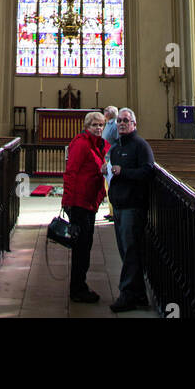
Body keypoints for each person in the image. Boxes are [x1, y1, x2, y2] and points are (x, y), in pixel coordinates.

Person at [107, 108, 154, 312]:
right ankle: (140, 294)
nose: (122, 123)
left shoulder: (140, 146)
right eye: (119, 121)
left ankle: (127, 294)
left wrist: (123, 172)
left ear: (134, 124)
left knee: (130, 251)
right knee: (126, 251)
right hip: (119, 206)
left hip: (132, 207)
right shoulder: (117, 148)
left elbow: (148, 170)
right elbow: (114, 174)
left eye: (126, 120)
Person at [60, 110, 107, 303]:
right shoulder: (81, 144)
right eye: (94, 125)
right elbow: (71, 172)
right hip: (79, 203)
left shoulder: (97, 145)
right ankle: (78, 289)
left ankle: (80, 285)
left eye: (101, 125)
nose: (98, 128)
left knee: (85, 246)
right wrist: (68, 201)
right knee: (81, 247)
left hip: (88, 203)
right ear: (86, 127)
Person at [102, 106, 119, 221]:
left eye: (106, 111)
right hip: (106, 158)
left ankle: (114, 212)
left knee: (111, 186)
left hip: (112, 158)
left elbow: (117, 141)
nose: (104, 113)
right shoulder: (107, 124)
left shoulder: (115, 125)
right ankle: (110, 211)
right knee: (107, 186)